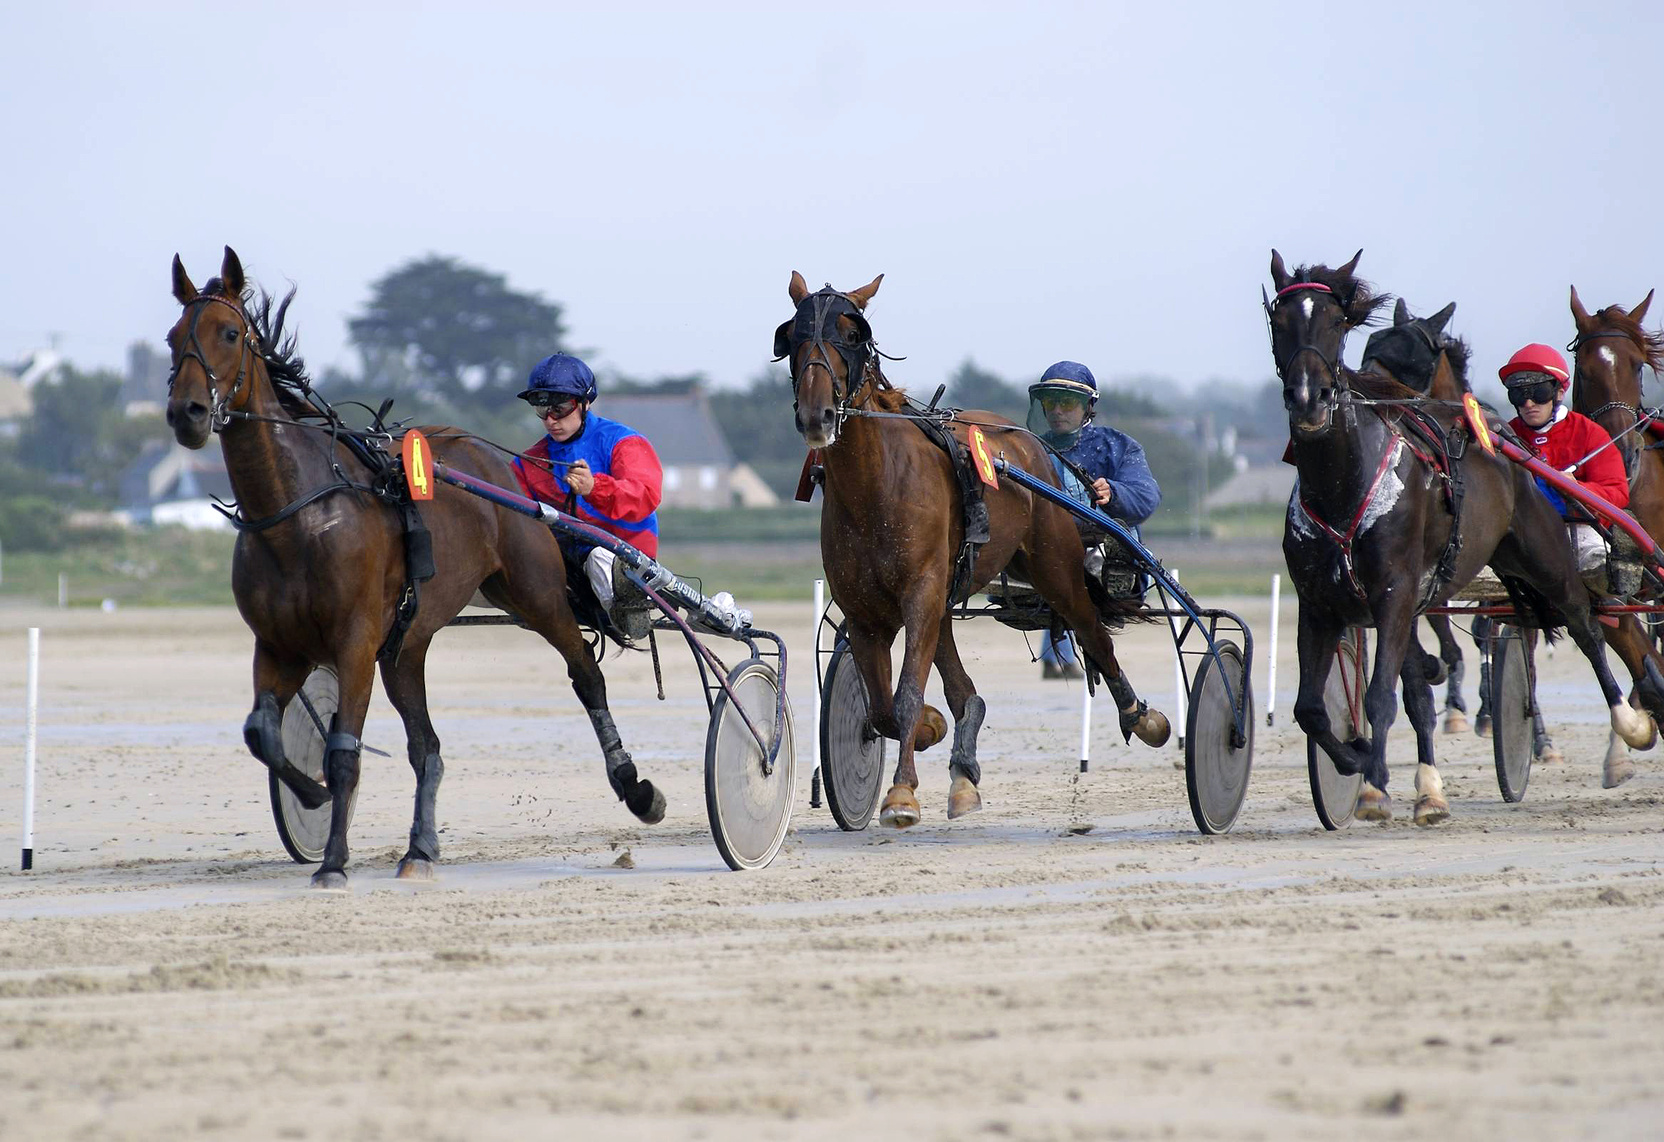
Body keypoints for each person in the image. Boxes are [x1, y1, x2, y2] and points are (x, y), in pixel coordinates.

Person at [511, 353, 663, 641]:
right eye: (542, 410)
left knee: (597, 557)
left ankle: (624, 614)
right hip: (565, 559)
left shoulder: (624, 442)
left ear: (585, 403)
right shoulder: (528, 462)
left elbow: (646, 496)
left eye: (560, 408)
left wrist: (595, 488)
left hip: (622, 557)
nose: (551, 420)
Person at [1025, 361, 1162, 679]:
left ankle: (1068, 647)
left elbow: (1146, 496)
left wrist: (1113, 492)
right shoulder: (1028, 449)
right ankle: (1060, 655)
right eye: (1050, 402)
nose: (1057, 410)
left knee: (1083, 561)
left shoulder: (1117, 446)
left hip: (1099, 552)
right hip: (1042, 556)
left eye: (1068, 402)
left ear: (1088, 407)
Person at [1500, 343, 1628, 590]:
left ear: (1559, 392)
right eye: (1518, 393)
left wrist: (1577, 488)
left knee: (1596, 563)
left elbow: (1618, 493)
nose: (1528, 403)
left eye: (1538, 392)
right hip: (1520, 532)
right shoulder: (1506, 434)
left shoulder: (1590, 433)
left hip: (1579, 529)